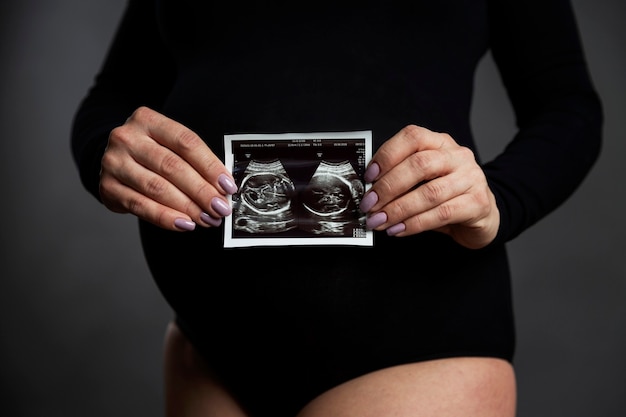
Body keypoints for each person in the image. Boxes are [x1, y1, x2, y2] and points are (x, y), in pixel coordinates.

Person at [71, 0, 602, 416]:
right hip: (205, 350)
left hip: (414, 342)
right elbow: (113, 92)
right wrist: (105, 151)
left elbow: (568, 108)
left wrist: (498, 199)